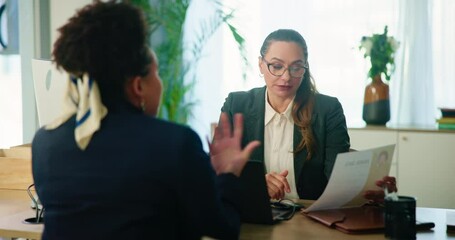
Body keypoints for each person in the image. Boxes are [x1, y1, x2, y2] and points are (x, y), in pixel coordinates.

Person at [31, 2, 259, 240]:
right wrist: (228, 174)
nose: (160, 82)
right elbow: (222, 228)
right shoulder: (175, 144)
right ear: (138, 86)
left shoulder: (46, 142)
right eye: (156, 73)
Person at [219, 29, 396, 202]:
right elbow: (219, 173)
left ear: (305, 68)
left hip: (308, 219)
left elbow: (337, 183)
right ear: (261, 65)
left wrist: (370, 188)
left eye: (296, 68)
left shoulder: (328, 110)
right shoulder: (237, 106)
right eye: (277, 66)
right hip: (253, 216)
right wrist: (256, 186)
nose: (286, 77)